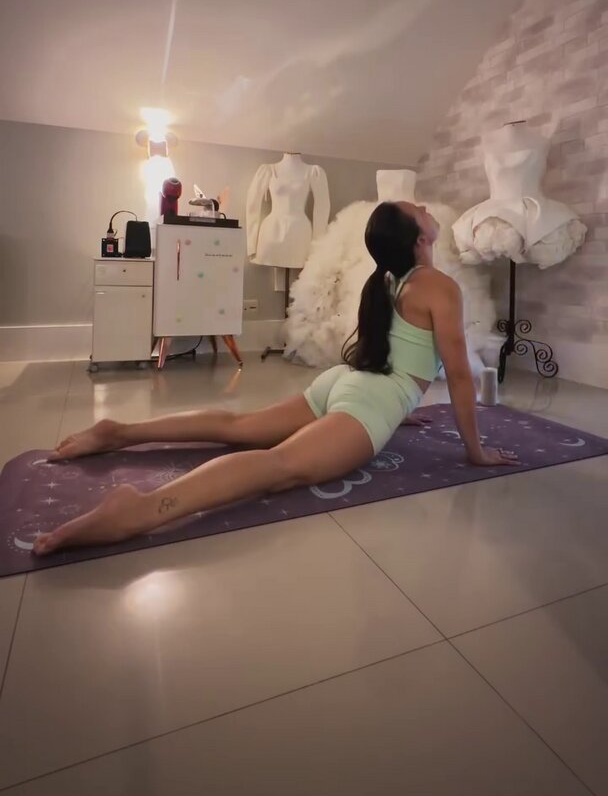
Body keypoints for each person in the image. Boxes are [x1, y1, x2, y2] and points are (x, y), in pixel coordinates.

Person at [33, 201, 519, 556]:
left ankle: (119, 432)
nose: (426, 208)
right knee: (278, 466)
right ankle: (142, 510)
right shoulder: (438, 286)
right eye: (418, 210)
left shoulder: (391, 279)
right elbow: (458, 374)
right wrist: (474, 450)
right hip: (367, 400)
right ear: (420, 239)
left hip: (347, 384)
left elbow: (398, 351)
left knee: (236, 426)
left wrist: (397, 412)